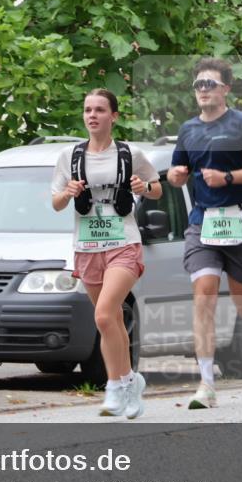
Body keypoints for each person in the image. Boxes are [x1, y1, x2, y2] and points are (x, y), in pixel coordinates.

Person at [167, 58, 242, 410]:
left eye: (209, 84)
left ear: (225, 89)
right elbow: (180, 172)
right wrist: (176, 176)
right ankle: (206, 384)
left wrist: (230, 178)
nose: (202, 90)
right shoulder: (188, 129)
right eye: (198, 85)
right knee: (203, 294)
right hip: (202, 222)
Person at [51, 88, 162, 418]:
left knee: (103, 314)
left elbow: (156, 188)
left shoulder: (130, 154)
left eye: (100, 109)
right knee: (110, 321)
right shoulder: (69, 157)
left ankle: (115, 386)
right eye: (87, 110)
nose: (92, 115)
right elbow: (56, 203)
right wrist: (68, 193)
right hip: (87, 247)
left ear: (113, 116)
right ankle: (129, 383)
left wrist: (144, 188)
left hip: (123, 244)